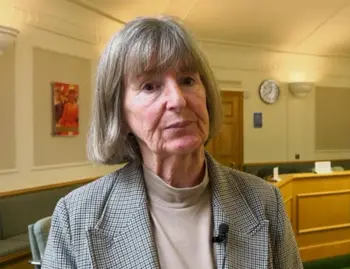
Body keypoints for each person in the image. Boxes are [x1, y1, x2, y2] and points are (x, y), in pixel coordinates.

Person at [43, 16, 302, 269]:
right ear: (119, 114)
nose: (178, 100)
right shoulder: (75, 215)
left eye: (187, 80)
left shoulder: (264, 201)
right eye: (149, 86)